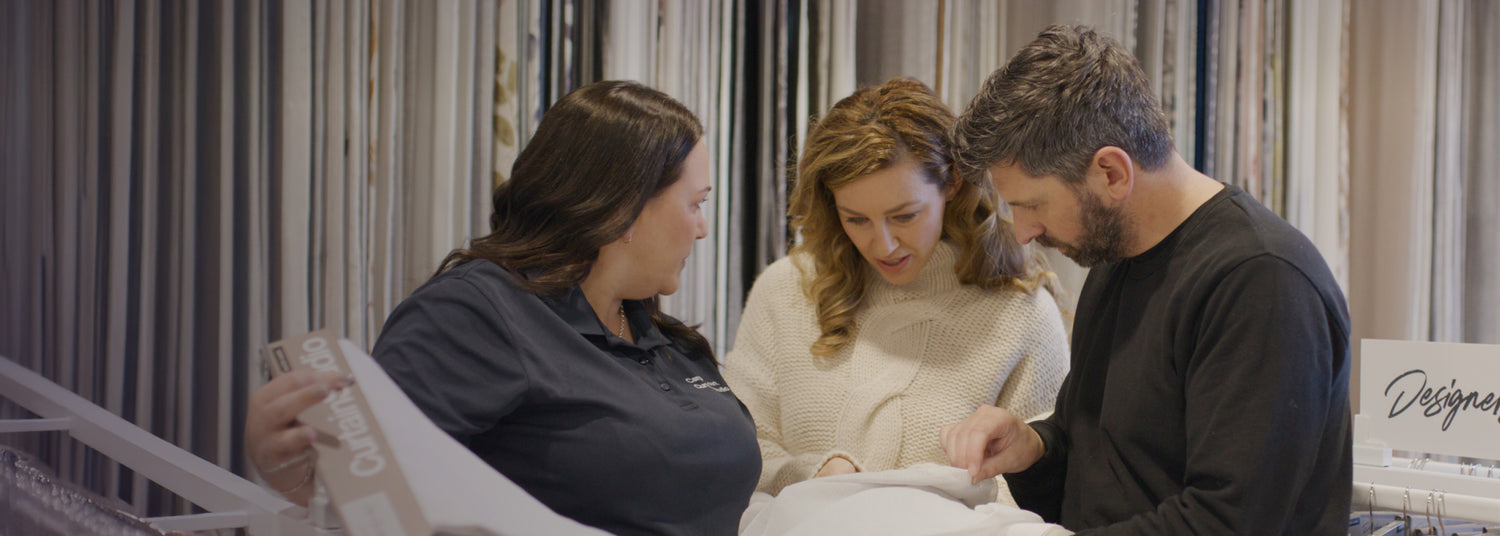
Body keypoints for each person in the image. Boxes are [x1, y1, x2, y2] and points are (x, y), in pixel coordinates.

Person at [243, 81, 760, 536]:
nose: (702, 228)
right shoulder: (477, 313)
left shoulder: (658, 334)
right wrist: (297, 476)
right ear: (623, 205)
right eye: (696, 203)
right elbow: (375, 498)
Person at [939, 25, 1352, 534]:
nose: (1023, 233)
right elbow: (1100, 456)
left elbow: (1227, 521)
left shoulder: (1262, 282)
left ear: (1112, 172)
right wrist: (1036, 447)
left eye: (1032, 205)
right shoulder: (1116, 255)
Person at [722, 77, 1070, 504]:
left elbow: (1040, 490)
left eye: (904, 216)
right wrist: (811, 475)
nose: (882, 245)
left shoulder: (1022, 314)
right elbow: (736, 449)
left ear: (953, 182)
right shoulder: (786, 290)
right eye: (857, 219)